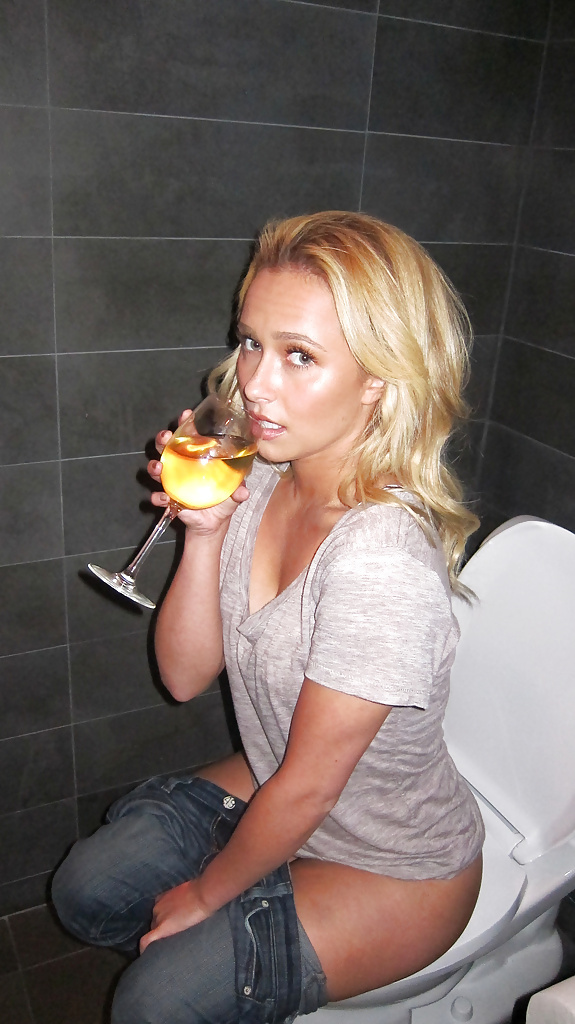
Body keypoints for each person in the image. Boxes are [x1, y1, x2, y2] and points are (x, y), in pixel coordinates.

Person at [52, 211, 485, 1024]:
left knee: (155, 1003)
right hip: (275, 778)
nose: (254, 383)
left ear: (378, 378)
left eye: (299, 355)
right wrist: (204, 533)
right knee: (86, 889)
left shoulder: (380, 561)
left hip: (391, 862)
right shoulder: (259, 482)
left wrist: (206, 895)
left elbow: (310, 788)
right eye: (251, 342)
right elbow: (185, 676)